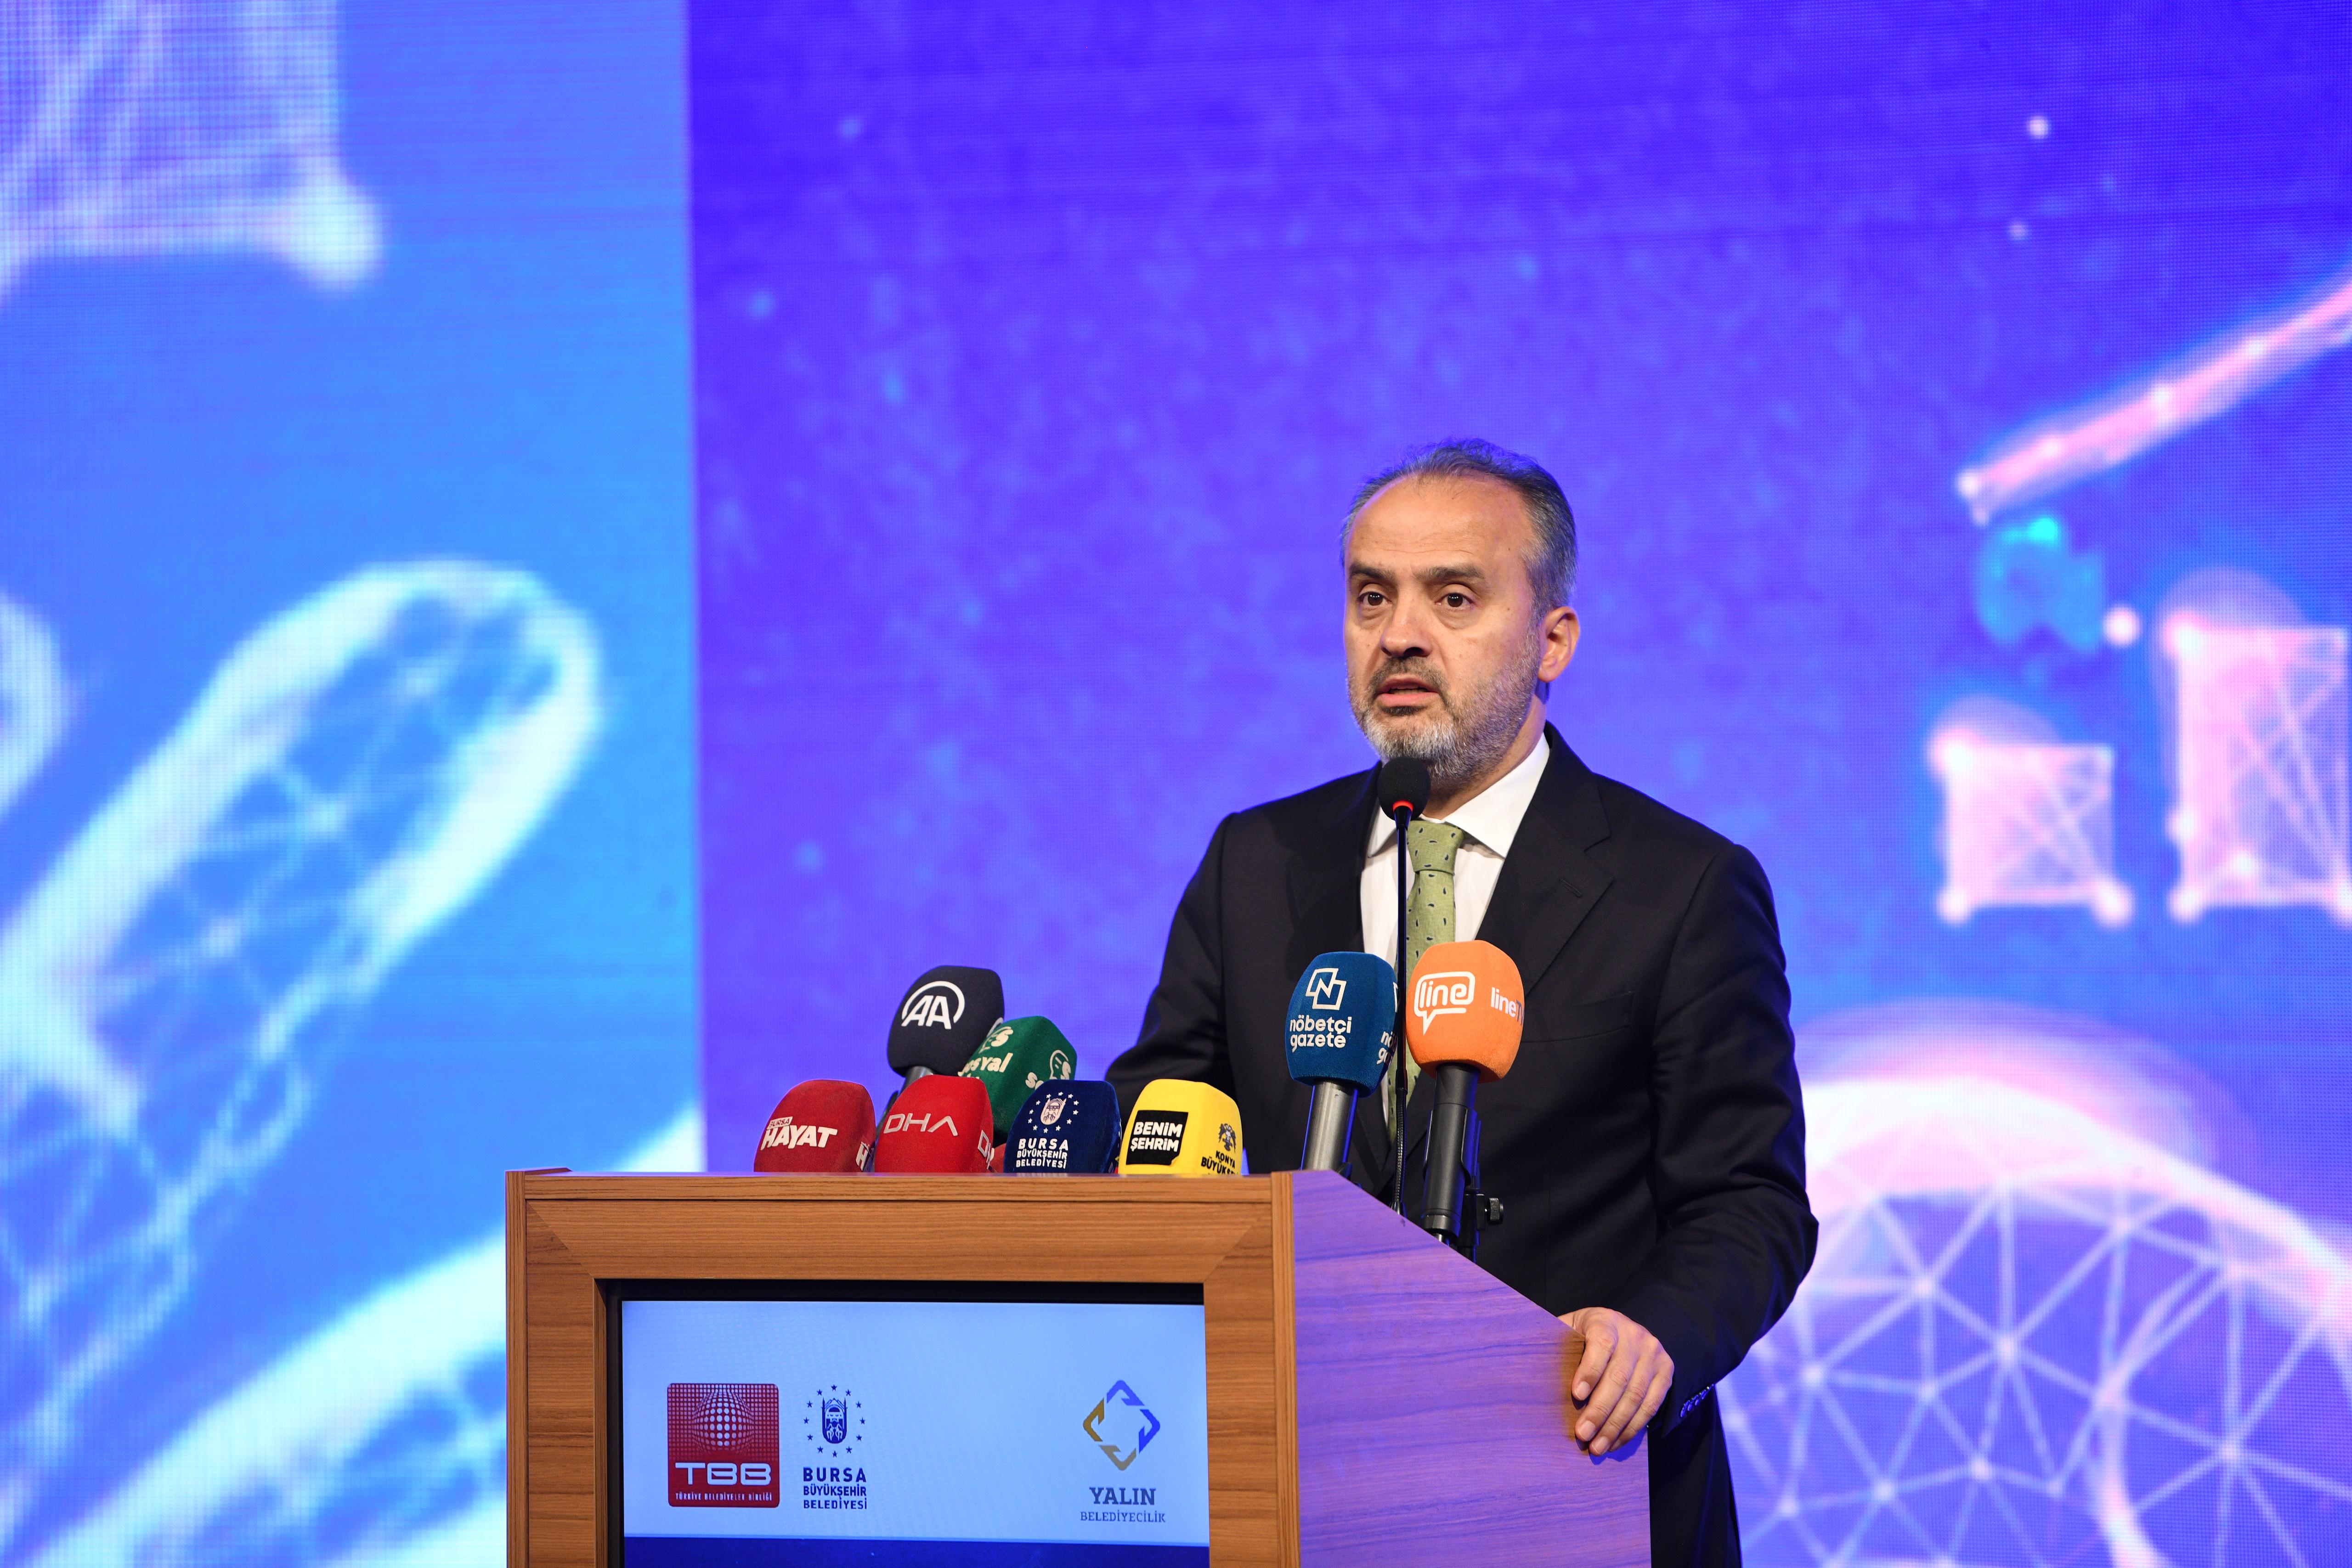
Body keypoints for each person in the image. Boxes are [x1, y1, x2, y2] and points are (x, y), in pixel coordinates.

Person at [1107, 439, 1815, 1566]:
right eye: (1370, 596)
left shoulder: (1681, 886)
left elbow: (1748, 1205)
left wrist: (1653, 1336)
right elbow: (1167, 1125)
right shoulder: (1256, 862)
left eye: (1452, 597)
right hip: (1295, 1485)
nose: (1398, 634)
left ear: (1552, 641)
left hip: (1572, 1481)